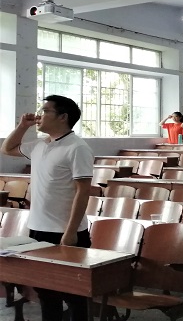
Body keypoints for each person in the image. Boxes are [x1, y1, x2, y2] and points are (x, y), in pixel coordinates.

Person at [1, 95, 94, 321]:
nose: (39, 115)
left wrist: (70, 232)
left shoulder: (77, 147)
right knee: (45, 291)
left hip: (65, 232)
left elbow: (83, 192)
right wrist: (22, 126)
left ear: (63, 117)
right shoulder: (40, 144)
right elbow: (7, 148)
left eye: (45, 111)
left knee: (74, 294)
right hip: (38, 229)